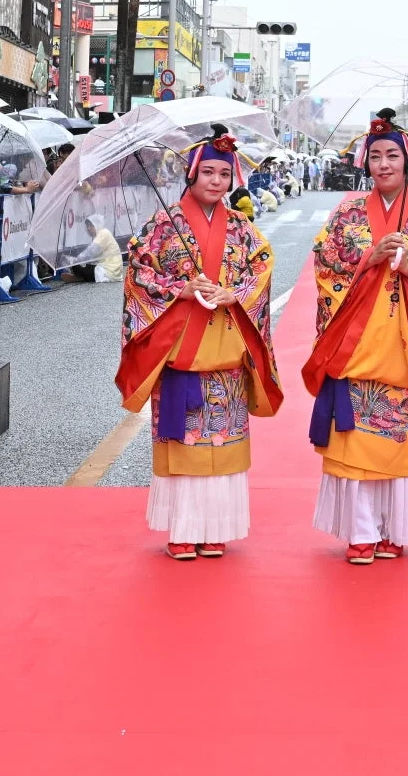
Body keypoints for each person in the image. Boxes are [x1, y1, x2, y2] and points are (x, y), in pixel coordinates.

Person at [302, 108, 408, 564]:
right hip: (357, 344)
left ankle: (395, 529)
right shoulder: (348, 213)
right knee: (357, 442)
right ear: (366, 162)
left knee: (400, 442)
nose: (384, 165)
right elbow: (324, 262)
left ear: (406, 161)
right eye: (375, 157)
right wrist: (368, 259)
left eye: (392, 155)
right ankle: (360, 531)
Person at [115, 126, 283, 559]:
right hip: (180, 346)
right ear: (191, 173)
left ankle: (217, 529)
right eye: (207, 171)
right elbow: (138, 273)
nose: (215, 181)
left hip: (225, 347)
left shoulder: (243, 228)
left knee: (222, 444)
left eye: (223, 174)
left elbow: (261, 267)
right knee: (185, 444)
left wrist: (236, 293)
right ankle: (182, 529)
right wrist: (180, 290)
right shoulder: (162, 225)